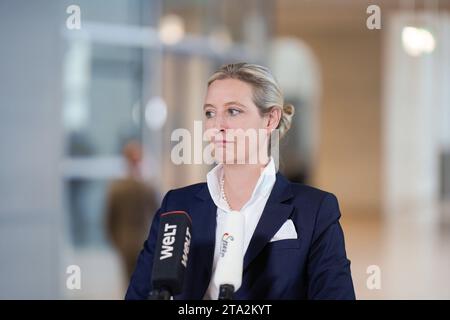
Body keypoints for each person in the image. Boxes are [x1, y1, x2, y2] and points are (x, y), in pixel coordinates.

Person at [125, 63, 355, 299]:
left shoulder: (314, 211)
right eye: (210, 113)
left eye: (233, 111)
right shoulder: (177, 206)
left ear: (270, 119)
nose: (217, 126)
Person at [105, 140, 158, 281]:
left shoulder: (117, 187)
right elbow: (159, 211)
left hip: (127, 242)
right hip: (142, 242)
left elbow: (109, 220)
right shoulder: (147, 186)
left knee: (132, 285)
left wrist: (118, 242)